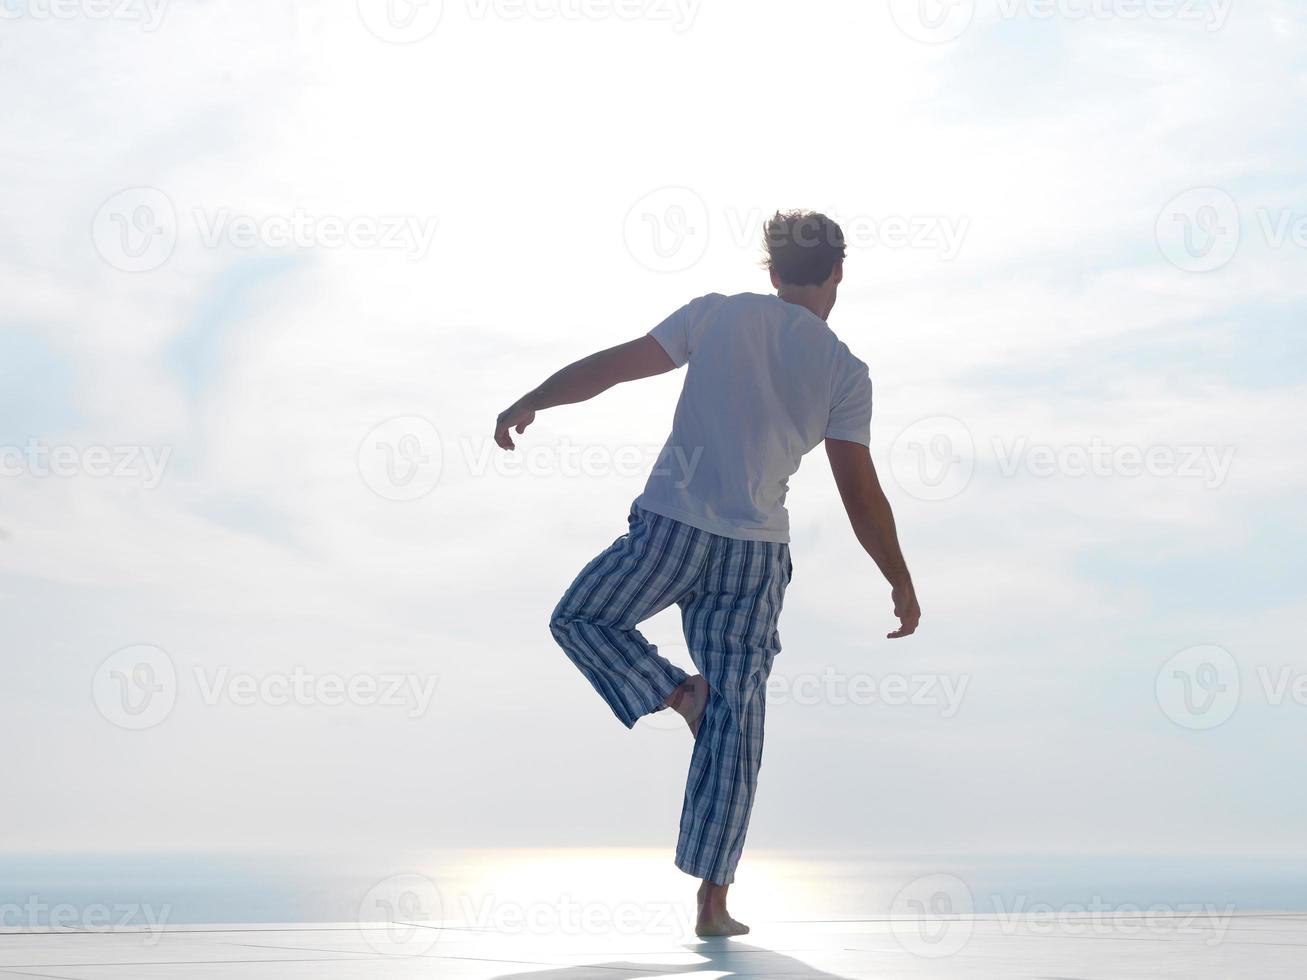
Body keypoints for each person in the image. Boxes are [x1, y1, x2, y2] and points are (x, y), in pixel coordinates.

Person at [494, 210, 920, 937]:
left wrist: (534, 396)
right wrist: (899, 580)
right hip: (755, 556)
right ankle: (712, 905)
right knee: (739, 723)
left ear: (771, 269)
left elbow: (614, 366)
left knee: (581, 617)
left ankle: (675, 692)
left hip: (672, 528)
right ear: (838, 272)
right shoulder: (845, 372)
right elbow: (860, 491)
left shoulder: (718, 316)